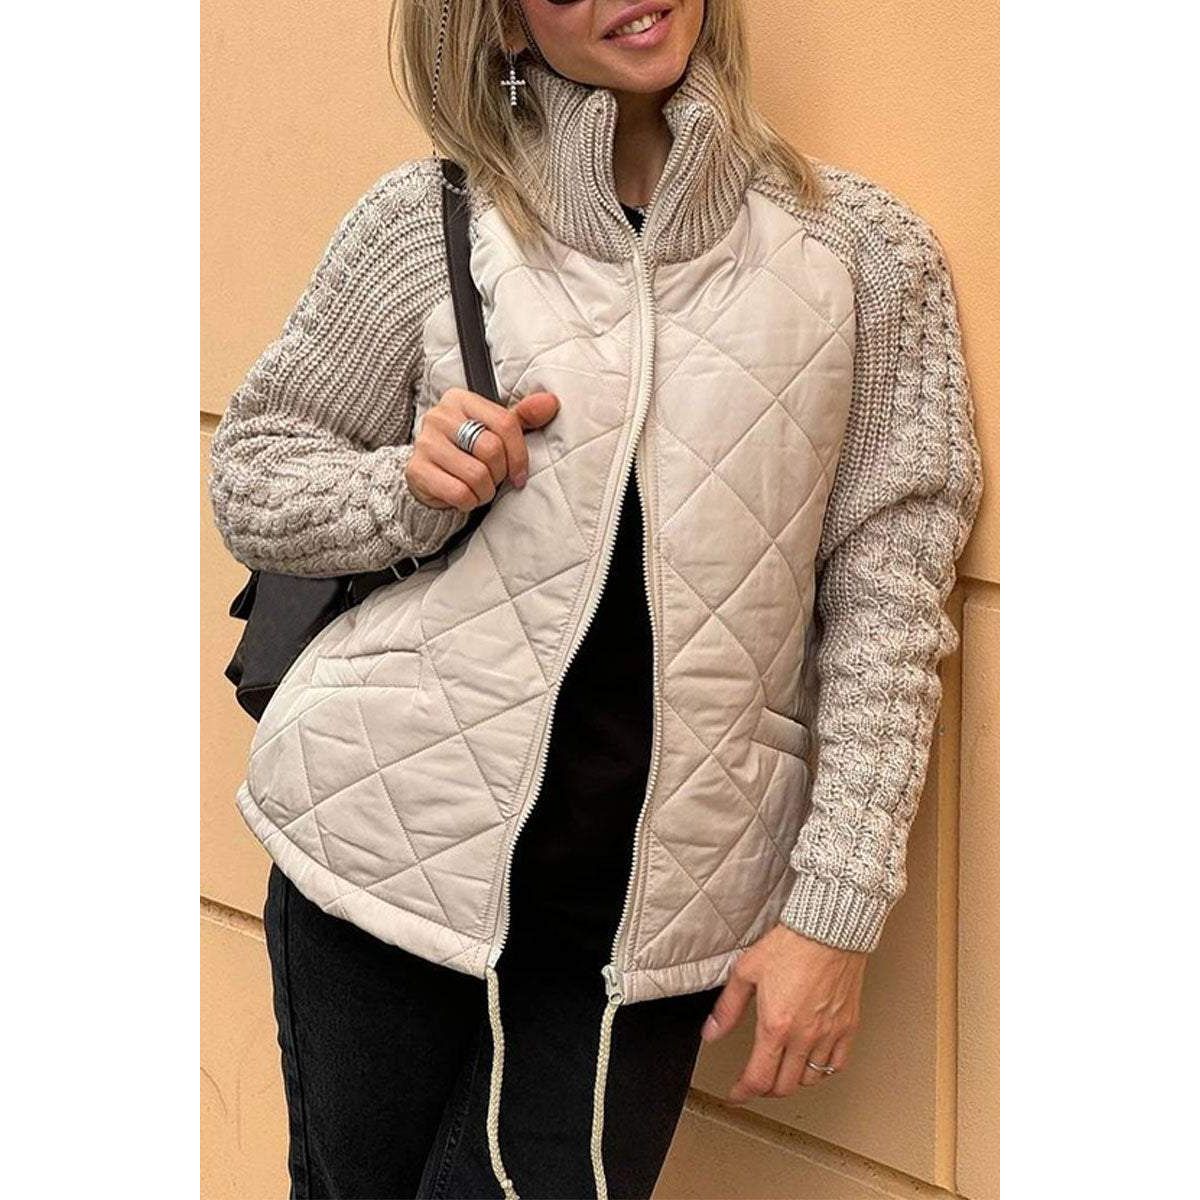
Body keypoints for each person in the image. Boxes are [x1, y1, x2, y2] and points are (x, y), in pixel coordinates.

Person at [207, 1, 984, 1197]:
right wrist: (405, 490)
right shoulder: (429, 220)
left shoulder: (864, 256)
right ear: (506, 26)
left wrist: (836, 911)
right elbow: (255, 472)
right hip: (377, 855)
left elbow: (890, 603)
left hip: (642, 931)